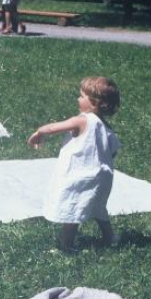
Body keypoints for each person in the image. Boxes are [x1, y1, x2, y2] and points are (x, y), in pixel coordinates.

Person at [28, 76, 122, 251]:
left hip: (81, 176)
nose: (78, 99)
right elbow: (114, 150)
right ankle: (110, 237)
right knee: (98, 208)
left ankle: (66, 245)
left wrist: (40, 132)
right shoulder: (107, 127)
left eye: (81, 96)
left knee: (73, 209)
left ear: (94, 103)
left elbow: (54, 128)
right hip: (101, 177)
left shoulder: (82, 120)